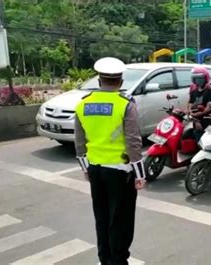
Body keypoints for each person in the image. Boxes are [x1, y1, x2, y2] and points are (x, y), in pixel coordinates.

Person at [74, 57, 146, 265]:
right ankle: (118, 261)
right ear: (121, 81)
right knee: (121, 219)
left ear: (99, 81)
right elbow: (133, 142)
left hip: (95, 169)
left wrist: (86, 169)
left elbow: (80, 143)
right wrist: (140, 174)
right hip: (120, 172)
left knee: (102, 217)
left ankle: (104, 259)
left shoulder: (83, 104)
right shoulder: (125, 105)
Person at [188, 66, 211, 139]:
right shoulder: (193, 92)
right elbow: (190, 106)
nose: (198, 80)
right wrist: (194, 118)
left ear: (205, 78)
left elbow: (208, 108)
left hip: (207, 122)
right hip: (196, 122)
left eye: (200, 78)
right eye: (196, 78)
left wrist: (196, 115)